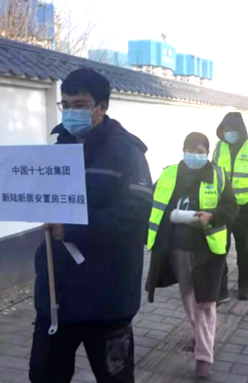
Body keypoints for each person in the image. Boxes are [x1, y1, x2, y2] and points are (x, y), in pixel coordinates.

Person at [31, 68, 153, 383]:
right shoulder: (58, 149)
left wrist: (72, 228)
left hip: (107, 299)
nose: (71, 112)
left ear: (102, 107)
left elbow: (135, 217)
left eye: (80, 105)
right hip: (57, 297)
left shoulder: (127, 153)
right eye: (66, 104)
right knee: (44, 376)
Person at [145, 133, 238, 378]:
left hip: (208, 250)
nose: (195, 155)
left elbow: (232, 208)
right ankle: (201, 336)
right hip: (177, 249)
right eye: (191, 150)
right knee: (189, 300)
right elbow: (150, 203)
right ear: (183, 150)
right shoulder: (169, 174)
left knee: (205, 302)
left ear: (207, 153)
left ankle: (204, 357)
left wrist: (211, 215)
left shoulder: (218, 175)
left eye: (201, 151)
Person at [212, 112, 248, 301]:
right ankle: (221, 287)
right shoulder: (219, 147)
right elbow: (212, 174)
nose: (228, 133)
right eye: (225, 129)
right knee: (220, 248)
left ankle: (244, 284)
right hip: (223, 208)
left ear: (240, 129)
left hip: (246, 209)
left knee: (245, 249)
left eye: (232, 129)